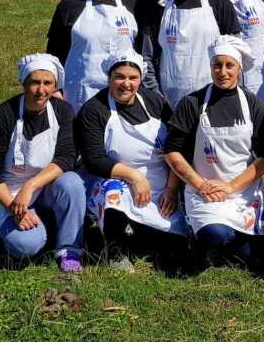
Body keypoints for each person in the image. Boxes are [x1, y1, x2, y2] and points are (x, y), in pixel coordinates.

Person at [164, 36, 264, 266]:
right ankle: (202, 236)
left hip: (243, 192)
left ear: (239, 69)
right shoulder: (192, 102)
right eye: (217, 65)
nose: (222, 72)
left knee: (251, 258)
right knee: (215, 234)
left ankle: (236, 243)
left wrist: (232, 186)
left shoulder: (254, 105)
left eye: (229, 65)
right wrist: (201, 185)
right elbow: (172, 151)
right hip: (204, 190)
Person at [76, 51, 186, 271]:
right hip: (116, 179)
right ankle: (115, 249)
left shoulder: (154, 101)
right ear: (109, 78)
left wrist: (172, 189)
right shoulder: (94, 109)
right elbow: (94, 159)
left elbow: (177, 145)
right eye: (119, 77)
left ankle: (142, 230)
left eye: (132, 78)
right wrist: (134, 177)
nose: (126, 84)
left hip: (161, 182)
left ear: (140, 79)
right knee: (113, 195)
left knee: (174, 244)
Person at [0, 54, 85, 272]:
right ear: (24, 82)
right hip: (6, 194)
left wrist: (31, 186)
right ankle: (15, 242)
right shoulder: (2, 116)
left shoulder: (62, 111)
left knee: (72, 182)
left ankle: (69, 250)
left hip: (40, 188)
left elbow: (66, 157)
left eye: (48, 83)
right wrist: (14, 207)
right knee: (28, 244)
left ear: (55, 86)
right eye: (35, 82)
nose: (41, 90)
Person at [47, 0, 153, 111]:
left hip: (123, 90)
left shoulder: (132, 2)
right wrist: (56, 88)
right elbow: (54, 51)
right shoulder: (70, 4)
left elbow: (143, 48)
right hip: (79, 91)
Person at [144, 0, 241, 108]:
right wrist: (156, 96)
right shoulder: (160, 5)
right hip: (169, 97)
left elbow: (235, 51)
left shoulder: (219, 2)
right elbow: (148, 55)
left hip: (212, 95)